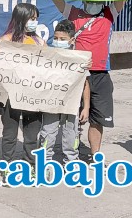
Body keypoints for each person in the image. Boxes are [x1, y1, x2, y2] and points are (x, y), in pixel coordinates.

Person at [36, 0, 132, 158]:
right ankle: (70, 151)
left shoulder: (110, 14)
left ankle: (95, 155)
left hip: (100, 74)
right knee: (72, 117)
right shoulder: (73, 13)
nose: (93, 1)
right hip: (75, 74)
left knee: (98, 120)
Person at [0, 3, 46, 182]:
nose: (35, 22)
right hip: (11, 96)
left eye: (36, 19)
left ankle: (31, 166)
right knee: (10, 134)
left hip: (33, 96)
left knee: (32, 134)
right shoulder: (6, 40)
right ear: (21, 18)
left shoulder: (39, 42)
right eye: (32, 19)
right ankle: (7, 167)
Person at [39, 19, 91, 167]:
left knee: (71, 136)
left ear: (72, 40)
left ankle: (72, 167)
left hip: (72, 105)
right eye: (55, 38)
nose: (57, 41)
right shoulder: (48, 56)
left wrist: (86, 107)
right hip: (51, 103)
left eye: (62, 39)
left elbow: (85, 83)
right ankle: (44, 166)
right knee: (47, 134)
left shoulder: (79, 58)